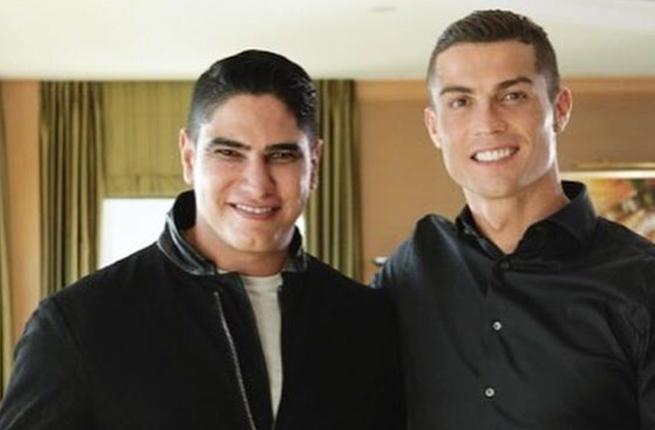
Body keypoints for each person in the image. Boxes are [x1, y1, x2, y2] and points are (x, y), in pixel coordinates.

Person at [0, 50, 405, 429]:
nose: (257, 184)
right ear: (189, 157)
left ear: (313, 164)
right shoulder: (79, 323)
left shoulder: (367, 322)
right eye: (229, 153)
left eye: (281, 155)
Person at [374, 9, 655, 429]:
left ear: (560, 108)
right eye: (461, 102)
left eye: (512, 96)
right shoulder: (410, 270)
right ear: (434, 127)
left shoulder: (642, 282)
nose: (487, 124)